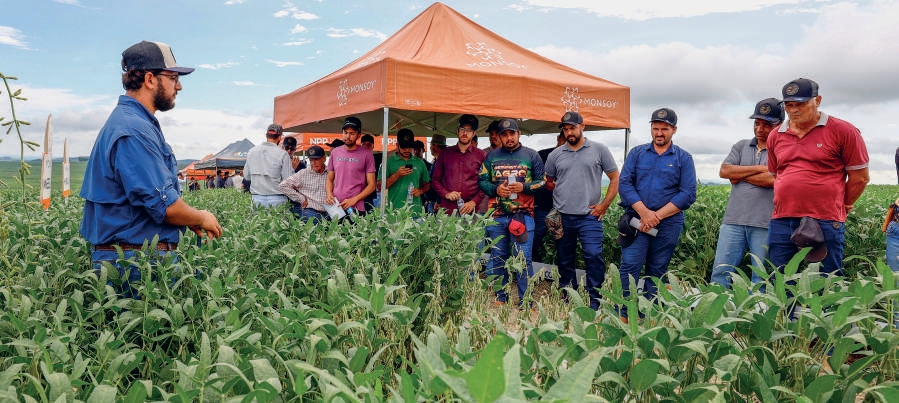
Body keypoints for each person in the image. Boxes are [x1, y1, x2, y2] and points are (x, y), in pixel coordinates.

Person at [80, 40, 222, 299]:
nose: (178, 85)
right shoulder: (133, 130)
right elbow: (166, 206)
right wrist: (200, 217)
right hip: (133, 263)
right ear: (149, 79)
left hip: (132, 256)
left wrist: (187, 219)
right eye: (173, 77)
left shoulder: (134, 123)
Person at [766, 78, 869, 276]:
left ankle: (825, 309)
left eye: (801, 104)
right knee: (780, 280)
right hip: (782, 218)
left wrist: (843, 205)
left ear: (818, 100)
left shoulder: (843, 130)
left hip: (825, 219)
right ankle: (787, 310)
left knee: (827, 281)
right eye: (789, 105)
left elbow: (860, 178)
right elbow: (777, 175)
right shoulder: (776, 135)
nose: (794, 110)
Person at [617, 108, 696, 313]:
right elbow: (625, 183)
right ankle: (626, 314)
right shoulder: (637, 153)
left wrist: (656, 216)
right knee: (629, 267)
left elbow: (688, 193)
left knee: (657, 270)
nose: (659, 133)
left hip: (668, 223)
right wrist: (644, 213)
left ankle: (650, 314)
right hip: (637, 220)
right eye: (655, 128)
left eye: (664, 129)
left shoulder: (683, 158)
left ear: (674, 130)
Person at [545, 112, 620, 310]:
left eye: (572, 128)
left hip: (590, 216)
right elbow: (549, 181)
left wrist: (604, 205)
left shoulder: (599, 150)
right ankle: (568, 294)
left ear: (582, 126)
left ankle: (596, 297)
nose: (569, 132)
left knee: (593, 255)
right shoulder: (556, 155)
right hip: (563, 216)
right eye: (565, 129)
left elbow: (614, 177)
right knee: (564, 257)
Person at [710, 98, 783, 288]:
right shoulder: (741, 146)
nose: (760, 129)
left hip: (765, 223)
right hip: (733, 221)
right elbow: (725, 171)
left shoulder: (783, 149)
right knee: (720, 272)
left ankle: (756, 317)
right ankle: (715, 315)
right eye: (757, 123)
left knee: (760, 279)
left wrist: (740, 173)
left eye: (767, 124)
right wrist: (761, 168)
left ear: (780, 125)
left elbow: (774, 180)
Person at [478, 118, 545, 306]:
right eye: (505, 135)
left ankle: (527, 301)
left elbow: (542, 182)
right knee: (498, 259)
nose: (509, 138)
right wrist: (495, 190)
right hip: (497, 217)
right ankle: (501, 297)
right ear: (499, 137)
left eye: (512, 134)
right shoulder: (491, 157)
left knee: (523, 260)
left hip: (522, 216)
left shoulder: (532, 155)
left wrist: (524, 187)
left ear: (518, 134)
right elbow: (482, 181)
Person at [431, 114, 486, 215]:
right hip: (447, 211)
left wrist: (474, 202)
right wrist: (446, 194)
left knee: (471, 231)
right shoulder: (445, 153)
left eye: (469, 130)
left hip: (470, 211)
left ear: (474, 133)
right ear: (457, 131)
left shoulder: (481, 155)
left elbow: (486, 182)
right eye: (462, 129)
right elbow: (435, 180)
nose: (465, 133)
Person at [326, 117, 377, 215]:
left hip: (356, 207)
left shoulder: (367, 154)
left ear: (358, 135)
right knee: (334, 230)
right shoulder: (335, 152)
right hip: (336, 206)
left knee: (355, 230)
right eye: (345, 133)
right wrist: (329, 194)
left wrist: (355, 199)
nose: (348, 136)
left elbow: (372, 185)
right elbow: (329, 179)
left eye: (352, 133)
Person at [377, 129, 430, 212]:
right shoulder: (388, 162)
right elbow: (379, 187)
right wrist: (396, 175)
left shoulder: (420, 162)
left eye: (409, 147)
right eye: (403, 147)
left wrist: (421, 190)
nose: (407, 150)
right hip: (395, 212)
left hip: (415, 212)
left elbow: (427, 184)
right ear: (397, 145)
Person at [243, 124, 294, 208]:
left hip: (257, 199)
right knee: (278, 221)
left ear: (266, 135)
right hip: (277, 199)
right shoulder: (283, 154)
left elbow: (247, 176)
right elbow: (288, 181)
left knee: (258, 221)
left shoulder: (252, 152)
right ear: (280, 137)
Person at [533, 131, 565, 263]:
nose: (566, 143)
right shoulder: (542, 155)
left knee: (562, 239)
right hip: (543, 206)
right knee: (536, 236)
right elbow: (537, 180)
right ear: (558, 138)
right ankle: (534, 264)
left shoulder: (573, 158)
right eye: (564, 138)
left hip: (563, 208)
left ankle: (558, 268)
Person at [279, 145, 330, 224]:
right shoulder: (304, 173)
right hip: (310, 209)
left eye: (316, 159)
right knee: (315, 221)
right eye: (311, 160)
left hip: (329, 210)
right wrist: (301, 199)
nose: (313, 163)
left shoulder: (331, 173)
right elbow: (283, 186)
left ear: (324, 158)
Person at [360, 133, 380, 210]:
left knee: (371, 220)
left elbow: (391, 153)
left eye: (369, 144)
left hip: (371, 196)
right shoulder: (355, 158)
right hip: (355, 196)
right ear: (361, 145)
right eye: (364, 144)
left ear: (373, 146)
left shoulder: (377, 157)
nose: (366, 146)